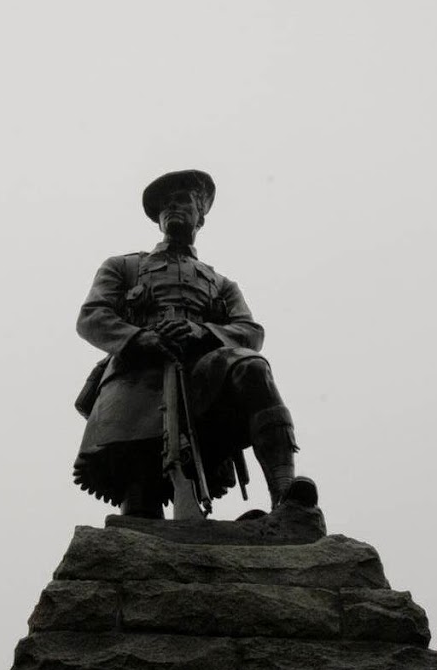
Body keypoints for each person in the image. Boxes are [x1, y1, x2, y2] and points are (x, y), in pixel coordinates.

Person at [73, 169, 316, 519]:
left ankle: (286, 500)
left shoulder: (221, 284)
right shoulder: (123, 267)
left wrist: (206, 334)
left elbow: (250, 331)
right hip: (137, 380)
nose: (172, 207)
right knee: (139, 499)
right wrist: (141, 337)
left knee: (252, 367)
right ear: (157, 220)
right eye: (165, 205)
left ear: (200, 214)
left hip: (201, 376)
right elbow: (92, 317)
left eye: (183, 200)